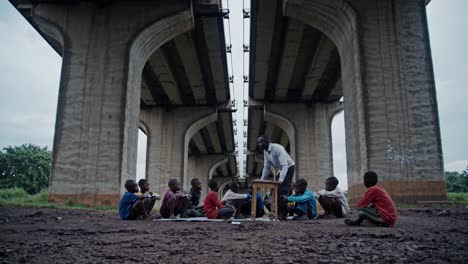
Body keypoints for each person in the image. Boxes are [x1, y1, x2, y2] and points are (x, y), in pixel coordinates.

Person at [257, 135, 296, 220]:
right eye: (258, 143)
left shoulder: (278, 148)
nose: (259, 144)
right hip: (280, 170)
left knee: (282, 190)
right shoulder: (266, 151)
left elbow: (284, 165)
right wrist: (261, 181)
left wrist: (281, 180)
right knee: (275, 192)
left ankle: (283, 214)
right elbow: (266, 167)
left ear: (267, 141)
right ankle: (277, 213)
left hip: (288, 167)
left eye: (261, 142)